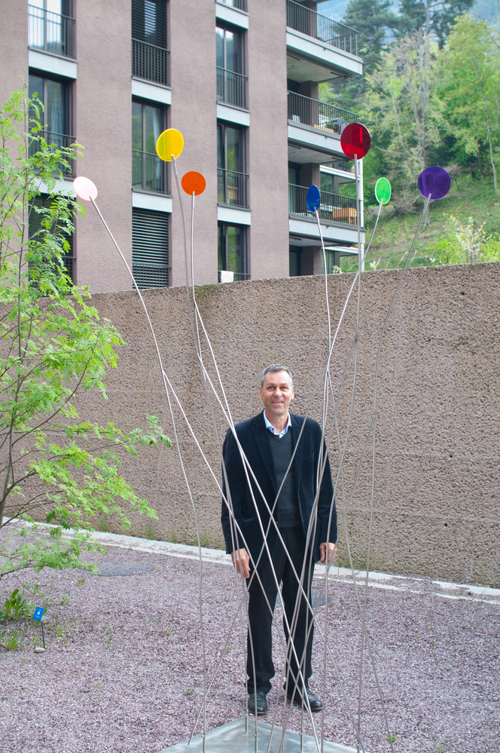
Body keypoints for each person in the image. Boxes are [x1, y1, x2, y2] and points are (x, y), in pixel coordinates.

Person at [221, 365, 337, 716]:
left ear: (292, 392)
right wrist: (236, 543)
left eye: (283, 387)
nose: (278, 393)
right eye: (271, 387)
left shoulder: (311, 432)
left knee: (301, 614)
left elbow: (324, 487)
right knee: (260, 614)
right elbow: (231, 496)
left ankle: (298, 686)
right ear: (261, 393)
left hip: (301, 540)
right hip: (260, 543)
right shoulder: (241, 435)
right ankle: (258, 687)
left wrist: (327, 533)